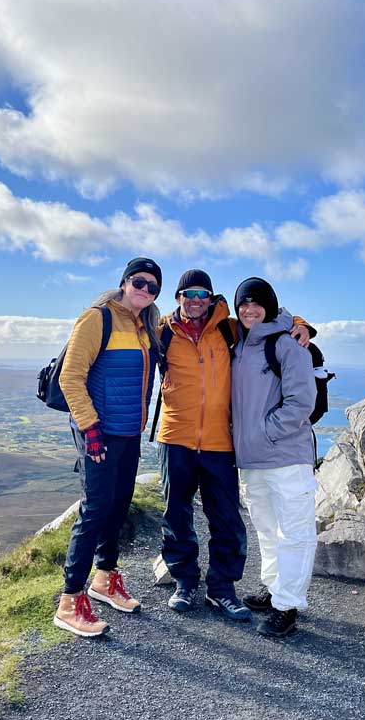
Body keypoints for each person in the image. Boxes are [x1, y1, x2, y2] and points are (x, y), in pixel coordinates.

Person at [157, 269, 310, 621]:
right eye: (188, 294)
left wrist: (301, 323)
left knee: (226, 519)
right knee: (176, 515)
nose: (195, 301)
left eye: (202, 294)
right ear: (178, 297)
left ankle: (222, 589)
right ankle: (185, 582)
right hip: (174, 438)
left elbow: (268, 319)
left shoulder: (228, 328)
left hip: (219, 441)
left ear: (212, 298)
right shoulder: (163, 331)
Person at [52, 257, 162, 637]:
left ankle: (104, 578)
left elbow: (197, 314)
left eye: (153, 286)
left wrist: (294, 324)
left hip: (128, 432)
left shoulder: (145, 325)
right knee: (95, 510)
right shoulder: (97, 318)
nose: (145, 290)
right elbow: (70, 376)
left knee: (118, 504)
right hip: (98, 431)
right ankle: (69, 600)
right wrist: (90, 427)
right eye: (139, 282)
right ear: (124, 281)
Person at [231, 277, 317, 638]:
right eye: (244, 304)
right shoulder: (239, 344)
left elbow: (302, 402)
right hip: (252, 461)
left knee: (295, 532)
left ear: (269, 305)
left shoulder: (286, 345)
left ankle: (288, 605)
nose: (250, 309)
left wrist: (265, 433)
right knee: (268, 531)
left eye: (257, 303)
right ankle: (274, 588)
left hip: (286, 457)